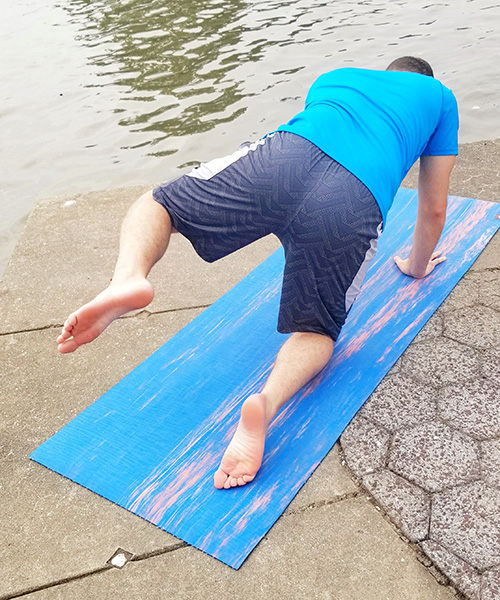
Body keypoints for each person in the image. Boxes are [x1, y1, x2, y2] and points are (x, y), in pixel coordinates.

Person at [57, 56, 458, 490]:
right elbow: (433, 207)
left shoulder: (336, 76)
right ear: (424, 79)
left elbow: (311, 169)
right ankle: (264, 407)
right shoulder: (439, 98)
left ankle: (128, 278)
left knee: (159, 205)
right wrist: (416, 268)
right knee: (316, 329)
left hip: (285, 157)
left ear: (386, 72)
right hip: (353, 199)